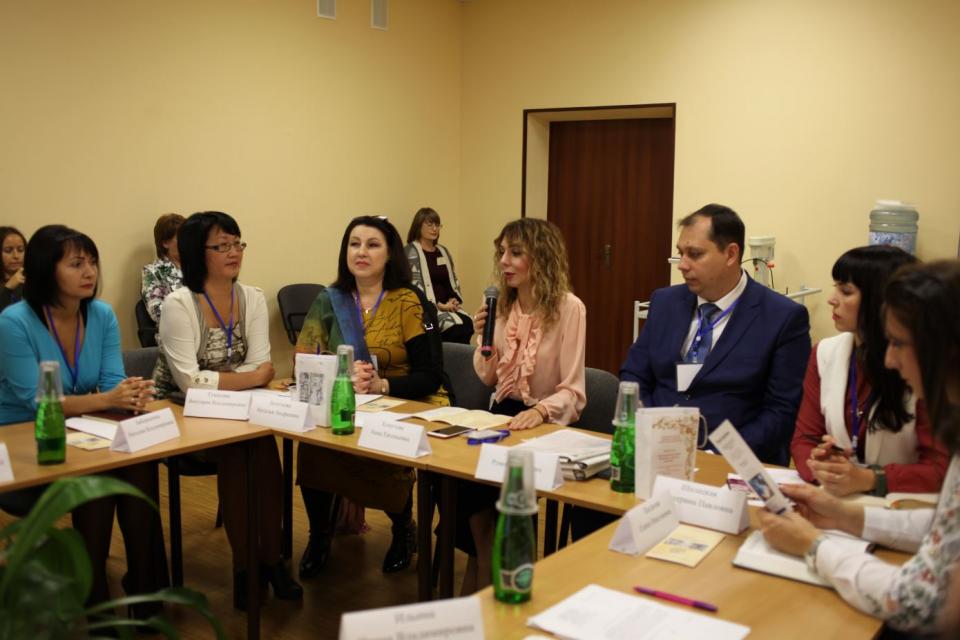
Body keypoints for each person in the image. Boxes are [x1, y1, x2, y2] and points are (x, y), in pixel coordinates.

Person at [759, 260, 960, 635]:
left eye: (898, 343)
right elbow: (943, 529)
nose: (889, 359)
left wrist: (813, 545)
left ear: (944, 349)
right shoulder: (827, 354)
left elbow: (921, 603)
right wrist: (842, 516)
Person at [0, 225, 169, 616]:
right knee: (96, 477)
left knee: (139, 464)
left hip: (81, 426)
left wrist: (129, 393)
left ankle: (145, 589)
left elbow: (111, 381)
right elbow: (37, 400)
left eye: (92, 262)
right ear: (45, 270)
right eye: (76, 264)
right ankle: (95, 601)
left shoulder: (101, 314)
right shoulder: (14, 322)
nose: (90, 271)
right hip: (23, 437)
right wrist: (107, 399)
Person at [154, 211, 301, 609]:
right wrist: (249, 377)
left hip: (238, 408)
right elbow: (189, 382)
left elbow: (262, 362)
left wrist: (239, 378)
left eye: (238, 244)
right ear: (196, 253)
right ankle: (244, 568)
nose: (234, 252)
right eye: (222, 246)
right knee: (239, 450)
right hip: (180, 413)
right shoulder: (179, 304)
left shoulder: (251, 297)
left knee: (263, 448)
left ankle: (270, 561)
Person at [295, 215, 447, 578]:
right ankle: (319, 535)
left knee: (382, 443)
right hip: (346, 399)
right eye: (354, 244)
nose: (361, 252)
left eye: (373, 244)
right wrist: (340, 375)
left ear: (390, 254)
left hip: (404, 400)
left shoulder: (411, 302)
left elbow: (431, 374)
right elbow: (304, 361)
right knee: (314, 445)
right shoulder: (329, 300)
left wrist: (382, 385)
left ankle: (403, 528)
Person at [621, 204, 811, 465]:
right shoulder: (665, 302)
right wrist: (648, 430)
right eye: (680, 253)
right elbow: (634, 375)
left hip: (732, 465)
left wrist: (715, 458)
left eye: (695, 254)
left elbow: (781, 412)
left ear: (731, 254)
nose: (682, 265)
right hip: (656, 452)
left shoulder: (782, 318)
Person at [460, 217, 586, 593]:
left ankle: (489, 575)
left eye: (516, 253)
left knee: (502, 496)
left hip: (545, 422)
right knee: (459, 479)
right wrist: (482, 340)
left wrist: (540, 410)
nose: (504, 261)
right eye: (502, 252)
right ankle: (488, 569)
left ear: (542, 257)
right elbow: (489, 378)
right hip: (502, 415)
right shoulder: (499, 306)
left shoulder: (569, 308)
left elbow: (574, 391)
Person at [792, 246, 948, 496]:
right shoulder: (824, 353)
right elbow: (804, 439)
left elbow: (941, 470)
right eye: (835, 288)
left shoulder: (919, 365)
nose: (832, 299)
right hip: (839, 500)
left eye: (846, 291)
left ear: (881, 300)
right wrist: (822, 465)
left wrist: (870, 479)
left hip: (903, 505)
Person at [404, 207, 474, 343]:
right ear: (418, 226)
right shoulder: (410, 253)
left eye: (437, 225)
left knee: (468, 323)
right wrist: (439, 306)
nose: (434, 229)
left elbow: (451, 280)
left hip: (448, 306)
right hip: (425, 312)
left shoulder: (443, 251)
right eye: (430, 225)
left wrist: (453, 300)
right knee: (455, 327)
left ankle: (458, 356)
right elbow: (412, 289)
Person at [141, 213, 185, 324]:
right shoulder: (152, 272)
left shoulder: (198, 266)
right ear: (165, 243)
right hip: (175, 328)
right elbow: (156, 312)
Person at [1, 226, 27, 312]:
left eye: (20, 250)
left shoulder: (33, 278)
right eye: (8, 251)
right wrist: (8, 288)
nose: (16, 256)